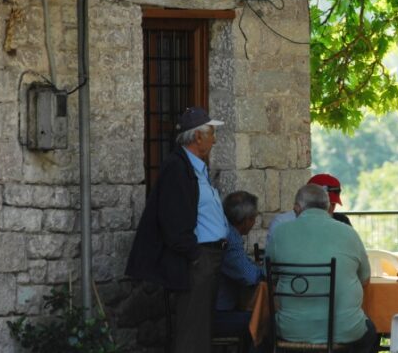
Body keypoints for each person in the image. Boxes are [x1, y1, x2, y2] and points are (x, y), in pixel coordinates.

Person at [126, 106, 227, 353]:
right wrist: (195, 257)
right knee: (192, 333)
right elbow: (173, 222)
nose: (214, 139)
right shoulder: (177, 167)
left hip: (207, 257)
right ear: (197, 137)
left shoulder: (194, 168)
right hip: (197, 259)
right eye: (211, 133)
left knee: (200, 330)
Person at [267, 184, 378, 353]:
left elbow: (269, 278)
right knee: (370, 331)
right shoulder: (349, 233)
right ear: (327, 207)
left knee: (263, 331)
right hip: (345, 331)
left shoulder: (279, 234)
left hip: (292, 330)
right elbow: (365, 279)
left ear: (297, 208)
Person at [214, 191, 264, 343]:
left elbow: (242, 264)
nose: (254, 222)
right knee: (264, 321)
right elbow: (248, 276)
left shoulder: (224, 231)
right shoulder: (230, 238)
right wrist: (267, 270)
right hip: (217, 316)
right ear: (246, 220)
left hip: (211, 311)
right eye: (254, 218)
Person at [266, 173, 351, 246]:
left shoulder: (342, 222)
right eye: (325, 204)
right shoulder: (281, 223)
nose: (330, 209)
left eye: (333, 204)